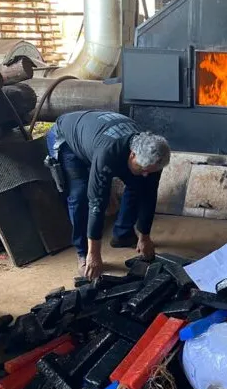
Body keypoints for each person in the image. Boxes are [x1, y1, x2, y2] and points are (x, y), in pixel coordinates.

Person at [45, 110, 171, 279]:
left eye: (151, 171)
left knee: (140, 183)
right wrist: (94, 255)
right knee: (80, 194)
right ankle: (82, 252)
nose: (147, 173)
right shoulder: (108, 154)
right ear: (132, 155)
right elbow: (96, 203)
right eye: (143, 169)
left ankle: (123, 234)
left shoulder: (153, 157)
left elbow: (149, 194)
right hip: (67, 139)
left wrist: (145, 236)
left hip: (96, 132)